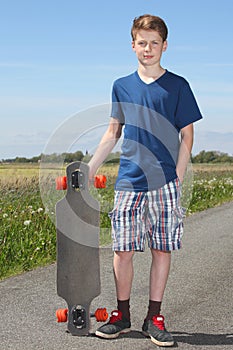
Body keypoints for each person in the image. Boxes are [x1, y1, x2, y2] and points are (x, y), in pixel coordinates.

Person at [88, 14, 202, 347]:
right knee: (122, 250)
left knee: (161, 250)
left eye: (154, 43)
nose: (148, 49)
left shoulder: (178, 85)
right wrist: (91, 166)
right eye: (142, 43)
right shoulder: (121, 85)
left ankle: (154, 317)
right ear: (133, 45)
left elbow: (188, 135)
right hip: (129, 181)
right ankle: (122, 316)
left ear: (164, 46)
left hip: (165, 183)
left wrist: (177, 177)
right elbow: (113, 132)